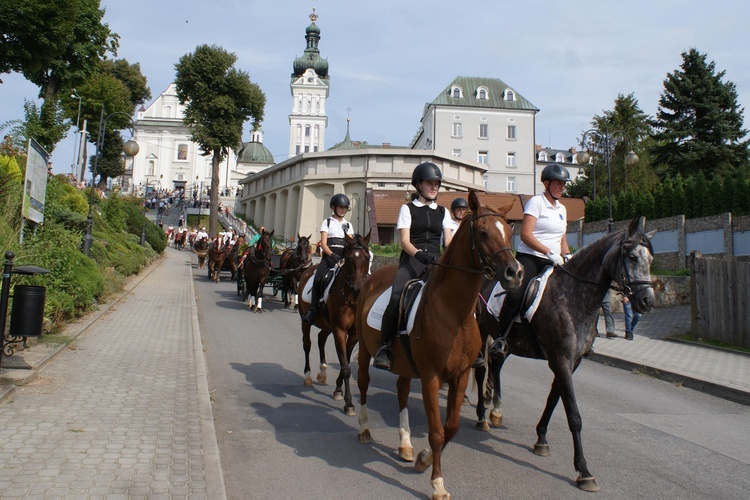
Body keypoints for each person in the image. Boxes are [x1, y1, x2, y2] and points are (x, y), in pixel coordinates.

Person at [373, 162, 453, 370]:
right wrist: (419, 254)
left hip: (437, 260)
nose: (434, 187)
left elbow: (449, 243)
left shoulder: (444, 212)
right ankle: (385, 346)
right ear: (418, 185)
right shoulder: (407, 209)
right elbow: (405, 242)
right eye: (430, 183)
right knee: (397, 296)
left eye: (437, 183)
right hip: (413, 259)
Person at [489, 163, 572, 358]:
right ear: (546, 183)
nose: (562, 186)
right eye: (558, 183)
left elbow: (563, 237)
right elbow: (526, 235)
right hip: (531, 258)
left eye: (564, 183)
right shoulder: (536, 202)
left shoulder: (562, 208)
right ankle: (500, 338)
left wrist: (566, 254)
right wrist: (547, 251)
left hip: (554, 260)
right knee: (517, 294)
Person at [302, 194, 355, 324]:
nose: (343, 210)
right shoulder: (327, 222)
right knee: (318, 278)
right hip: (330, 256)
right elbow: (324, 244)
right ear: (333, 207)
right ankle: (313, 309)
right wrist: (332, 255)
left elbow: (351, 243)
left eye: (345, 208)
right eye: (340, 207)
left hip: (343, 256)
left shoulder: (349, 225)